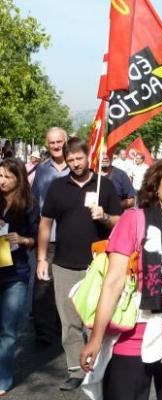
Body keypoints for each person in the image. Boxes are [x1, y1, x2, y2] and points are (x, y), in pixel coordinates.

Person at [81, 154, 162, 400]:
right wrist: (95, 338)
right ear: (156, 183)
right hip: (134, 336)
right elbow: (112, 283)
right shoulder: (134, 219)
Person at [36, 137, 122, 391]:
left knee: (101, 321)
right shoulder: (57, 187)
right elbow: (45, 223)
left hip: (98, 265)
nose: (75, 163)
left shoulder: (104, 185)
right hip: (63, 264)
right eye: (70, 159)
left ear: (88, 157)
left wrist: (104, 216)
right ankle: (76, 370)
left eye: (79, 158)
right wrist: (42, 258)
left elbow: (120, 222)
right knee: (70, 322)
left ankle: (103, 367)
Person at [0, 158, 40, 395]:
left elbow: (36, 238)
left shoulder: (29, 204)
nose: (2, 180)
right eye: (0, 175)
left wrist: (22, 239)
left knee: (7, 329)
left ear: (19, 178)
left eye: (7, 176)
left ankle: (3, 377)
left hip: (16, 275)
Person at [31, 127, 69, 345]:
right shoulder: (42, 170)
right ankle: (43, 331)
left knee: (66, 285)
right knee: (43, 283)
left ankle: (61, 326)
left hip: (71, 236)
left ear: (65, 141)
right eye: (52, 143)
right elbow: (35, 201)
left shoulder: (77, 167)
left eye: (59, 142)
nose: (56, 146)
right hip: (48, 235)